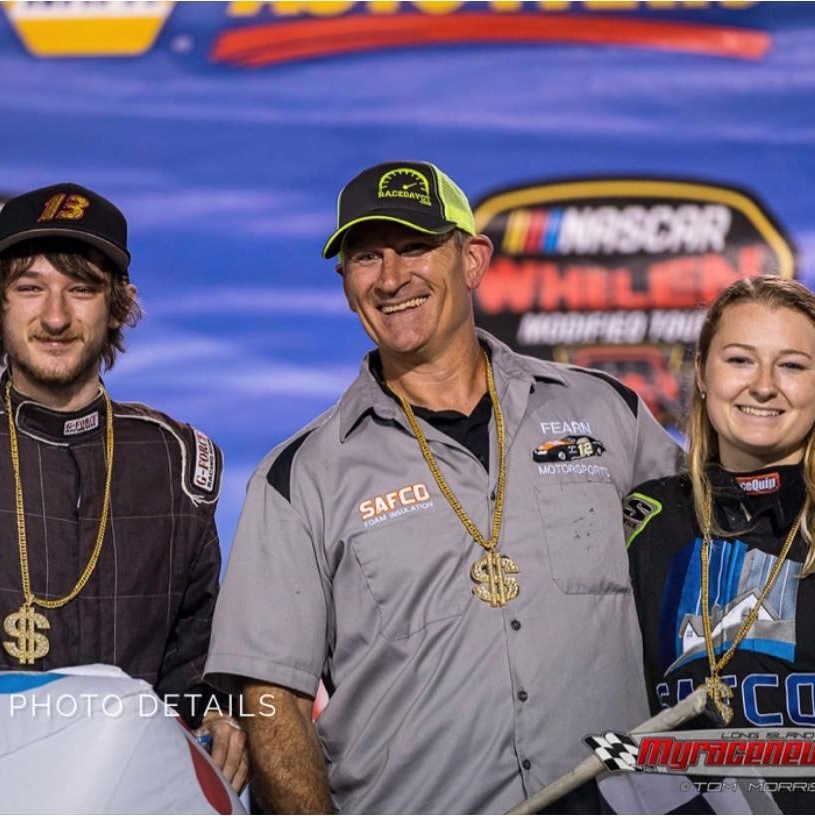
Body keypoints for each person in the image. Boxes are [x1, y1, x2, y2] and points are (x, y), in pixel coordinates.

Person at [206, 160, 680, 813]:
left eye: (416, 247)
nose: (392, 278)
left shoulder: (608, 415)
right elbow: (269, 695)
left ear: (473, 259)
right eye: (366, 257)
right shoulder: (300, 476)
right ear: (345, 286)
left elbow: (709, 570)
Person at [0, 183, 248, 792]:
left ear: (117, 306)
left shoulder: (176, 461)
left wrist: (217, 710)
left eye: (81, 289)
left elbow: (194, 664)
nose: (55, 316)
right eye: (30, 287)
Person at [625, 276, 815, 813]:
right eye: (740, 360)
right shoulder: (646, 520)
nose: (764, 385)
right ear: (704, 374)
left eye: (793, 365)